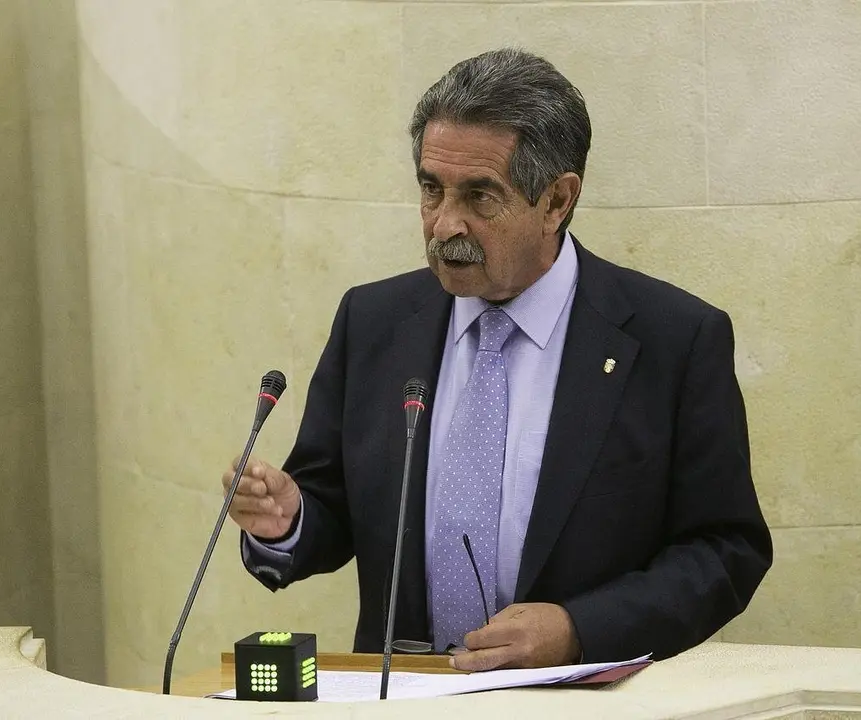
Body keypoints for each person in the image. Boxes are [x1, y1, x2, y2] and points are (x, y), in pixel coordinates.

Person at [222, 48, 772, 672]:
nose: (444, 225)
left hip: (580, 700)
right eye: (432, 190)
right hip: (403, 696)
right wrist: (288, 518)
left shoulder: (674, 340)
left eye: (480, 196)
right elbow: (332, 508)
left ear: (557, 200)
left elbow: (725, 550)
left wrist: (580, 629)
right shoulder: (373, 321)